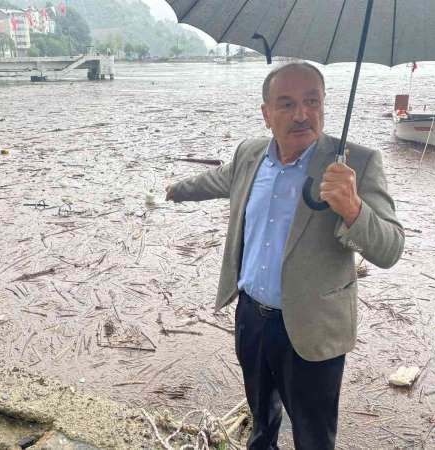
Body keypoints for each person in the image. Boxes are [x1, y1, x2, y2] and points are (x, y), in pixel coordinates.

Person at [165, 62, 404, 450]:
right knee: (262, 421)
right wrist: (176, 189)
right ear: (266, 113)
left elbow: (391, 248)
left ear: (324, 106)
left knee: (313, 436)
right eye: (287, 103)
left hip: (312, 328)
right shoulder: (251, 153)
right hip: (251, 318)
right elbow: (218, 180)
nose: (301, 114)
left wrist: (353, 209)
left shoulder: (355, 165)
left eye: (312, 101)